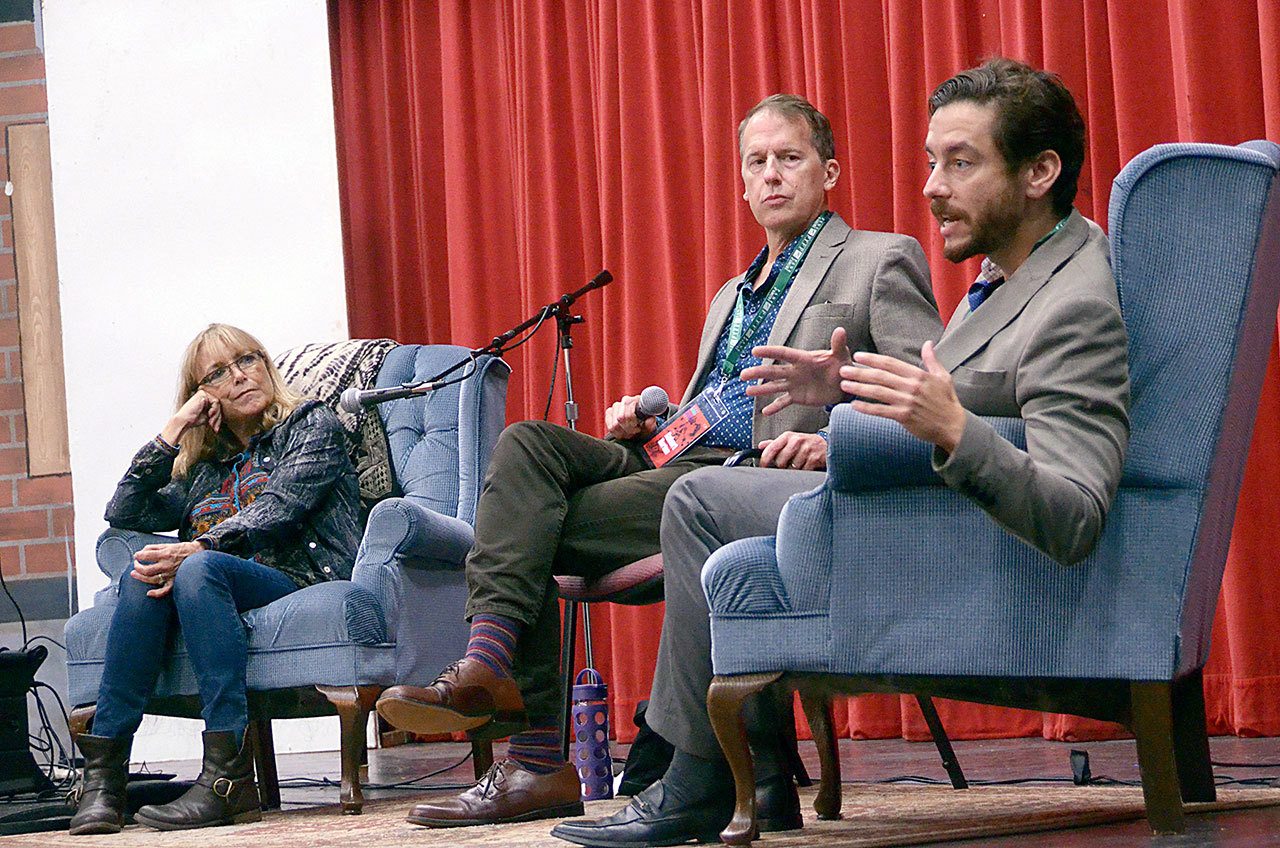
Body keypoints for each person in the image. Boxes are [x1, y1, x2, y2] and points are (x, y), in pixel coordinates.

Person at [550, 57, 1129, 847]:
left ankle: (689, 772)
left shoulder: (1076, 305)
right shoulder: (1019, 264)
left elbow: (1076, 517)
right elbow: (976, 381)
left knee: (698, 501)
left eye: (960, 163)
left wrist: (948, 429)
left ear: (1040, 172)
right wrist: (845, 385)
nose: (930, 186)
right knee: (660, 493)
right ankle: (734, 770)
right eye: (932, 162)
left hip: (940, 539)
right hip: (889, 497)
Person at [373, 94, 943, 828]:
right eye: (757, 162)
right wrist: (655, 422)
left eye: (790, 158)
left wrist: (835, 441)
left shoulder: (876, 257)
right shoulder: (728, 296)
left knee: (521, 527)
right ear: (740, 182)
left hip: (755, 479)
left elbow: (924, 390)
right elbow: (715, 408)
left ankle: (533, 754)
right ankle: (493, 675)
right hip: (673, 458)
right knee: (525, 446)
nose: (772, 176)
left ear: (828, 170)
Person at [70, 324, 361, 835]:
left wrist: (199, 547)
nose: (241, 376)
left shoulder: (313, 425)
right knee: (144, 572)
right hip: (214, 582)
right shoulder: (207, 466)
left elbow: (280, 508)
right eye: (219, 374)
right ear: (203, 396)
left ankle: (228, 779)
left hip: (300, 576)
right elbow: (125, 509)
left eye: (248, 360)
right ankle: (104, 782)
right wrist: (173, 431)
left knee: (195, 564)